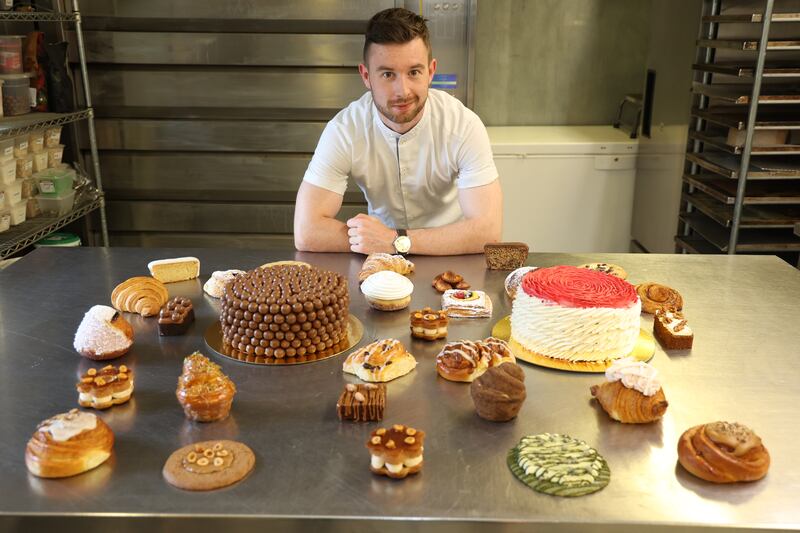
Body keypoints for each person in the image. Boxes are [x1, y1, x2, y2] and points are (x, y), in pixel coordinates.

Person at [293, 7, 501, 256]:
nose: (402, 91)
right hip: (378, 261)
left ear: (431, 71)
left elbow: (488, 230)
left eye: (414, 72)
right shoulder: (344, 130)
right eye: (388, 74)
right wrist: (374, 241)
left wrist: (395, 241)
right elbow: (306, 231)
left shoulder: (463, 125)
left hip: (452, 256)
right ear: (366, 76)